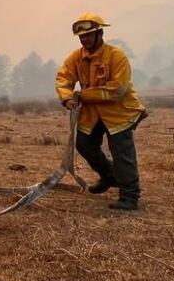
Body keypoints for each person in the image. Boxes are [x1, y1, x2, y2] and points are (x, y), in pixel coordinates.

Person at [56, 13, 147, 211]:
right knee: (84, 144)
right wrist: (67, 97)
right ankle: (109, 175)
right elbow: (64, 78)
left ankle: (130, 197)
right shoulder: (76, 58)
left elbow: (117, 90)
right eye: (81, 37)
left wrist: (84, 96)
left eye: (88, 35)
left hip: (119, 114)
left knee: (122, 152)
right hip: (93, 115)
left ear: (100, 34)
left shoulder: (116, 56)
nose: (84, 39)